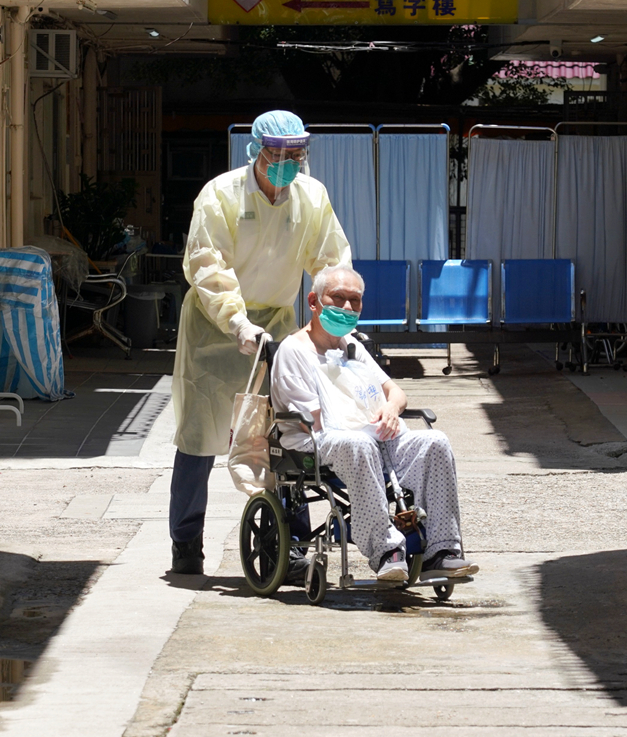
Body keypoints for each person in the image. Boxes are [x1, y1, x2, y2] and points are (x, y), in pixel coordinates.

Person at [169, 111, 351, 574]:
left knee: (284, 437)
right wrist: (236, 321)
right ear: (256, 150)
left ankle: (287, 545)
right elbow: (207, 265)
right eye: (277, 154)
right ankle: (186, 543)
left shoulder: (311, 197)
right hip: (214, 329)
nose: (287, 163)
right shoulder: (221, 194)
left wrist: (339, 313)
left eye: (296, 155)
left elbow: (331, 261)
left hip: (277, 326)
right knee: (199, 436)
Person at [271, 264, 478, 582]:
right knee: (359, 443)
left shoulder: (352, 346)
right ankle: (386, 551)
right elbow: (313, 422)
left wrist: (391, 409)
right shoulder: (294, 351)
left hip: (372, 436)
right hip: (317, 441)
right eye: (337, 297)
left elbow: (395, 392)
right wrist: (361, 426)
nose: (347, 307)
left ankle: (441, 551)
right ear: (314, 301)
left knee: (435, 442)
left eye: (355, 300)